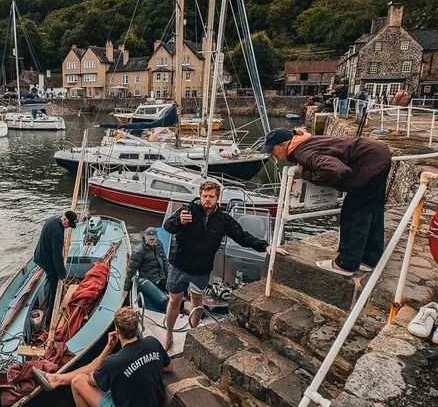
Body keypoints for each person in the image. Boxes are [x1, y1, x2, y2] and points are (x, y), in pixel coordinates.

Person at [33, 307, 173, 407]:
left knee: (78, 382)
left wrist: (108, 349)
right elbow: (169, 367)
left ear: (117, 330)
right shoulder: (153, 343)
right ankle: (56, 380)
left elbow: (90, 380)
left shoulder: (113, 363)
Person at [264, 128, 392, 277]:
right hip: (377, 154)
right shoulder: (307, 142)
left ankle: (346, 264)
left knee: (354, 214)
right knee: (373, 210)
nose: (271, 154)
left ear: (283, 145)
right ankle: (370, 259)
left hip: (369, 162)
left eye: (271, 150)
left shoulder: (301, 152)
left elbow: (333, 170)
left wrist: (306, 173)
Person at [162, 181, 272, 350]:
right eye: (205, 196)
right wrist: (179, 221)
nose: (208, 199)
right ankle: (168, 334)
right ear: (200, 196)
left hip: (202, 269)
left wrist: (265, 246)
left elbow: (242, 237)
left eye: (211, 196)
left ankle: (193, 333)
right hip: (179, 265)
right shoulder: (187, 211)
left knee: (197, 300)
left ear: (217, 198)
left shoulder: (223, 220)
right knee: (174, 301)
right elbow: (168, 226)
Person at [32, 210, 78, 315]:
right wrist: (62, 275)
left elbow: (54, 246)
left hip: (40, 254)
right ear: (65, 220)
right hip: (47, 260)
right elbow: (56, 257)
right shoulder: (57, 232)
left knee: (52, 277)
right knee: (54, 285)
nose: (68, 227)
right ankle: (50, 314)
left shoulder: (54, 220)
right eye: (69, 225)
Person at [123, 227, 169, 312]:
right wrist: (126, 288)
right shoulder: (139, 251)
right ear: (145, 238)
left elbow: (165, 262)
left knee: (177, 289)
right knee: (162, 302)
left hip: (160, 276)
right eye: (149, 239)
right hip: (149, 280)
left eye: (153, 239)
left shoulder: (159, 245)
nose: (151, 241)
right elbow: (131, 270)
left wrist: (170, 276)